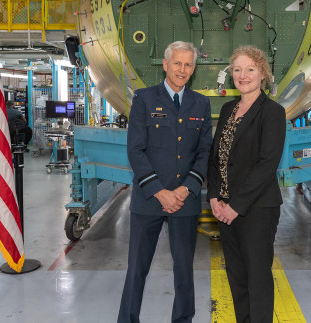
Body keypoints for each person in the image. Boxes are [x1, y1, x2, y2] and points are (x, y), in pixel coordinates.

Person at [118, 41, 212, 323]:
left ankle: (183, 319)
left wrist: (184, 190)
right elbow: (135, 149)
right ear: (165, 64)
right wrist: (160, 192)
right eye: (177, 63)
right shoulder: (144, 99)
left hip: (185, 201)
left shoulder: (201, 103)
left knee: (184, 269)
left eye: (188, 65)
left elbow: (204, 151)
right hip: (149, 199)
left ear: (193, 69)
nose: (182, 70)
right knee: (137, 269)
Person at [207, 45, 286, 323]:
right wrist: (215, 197)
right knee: (237, 276)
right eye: (237, 70)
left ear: (262, 74)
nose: (243, 75)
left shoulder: (272, 112)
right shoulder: (229, 109)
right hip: (225, 208)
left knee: (258, 278)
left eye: (250, 69)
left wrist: (236, 206)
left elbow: (267, 164)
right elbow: (216, 157)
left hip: (257, 210)